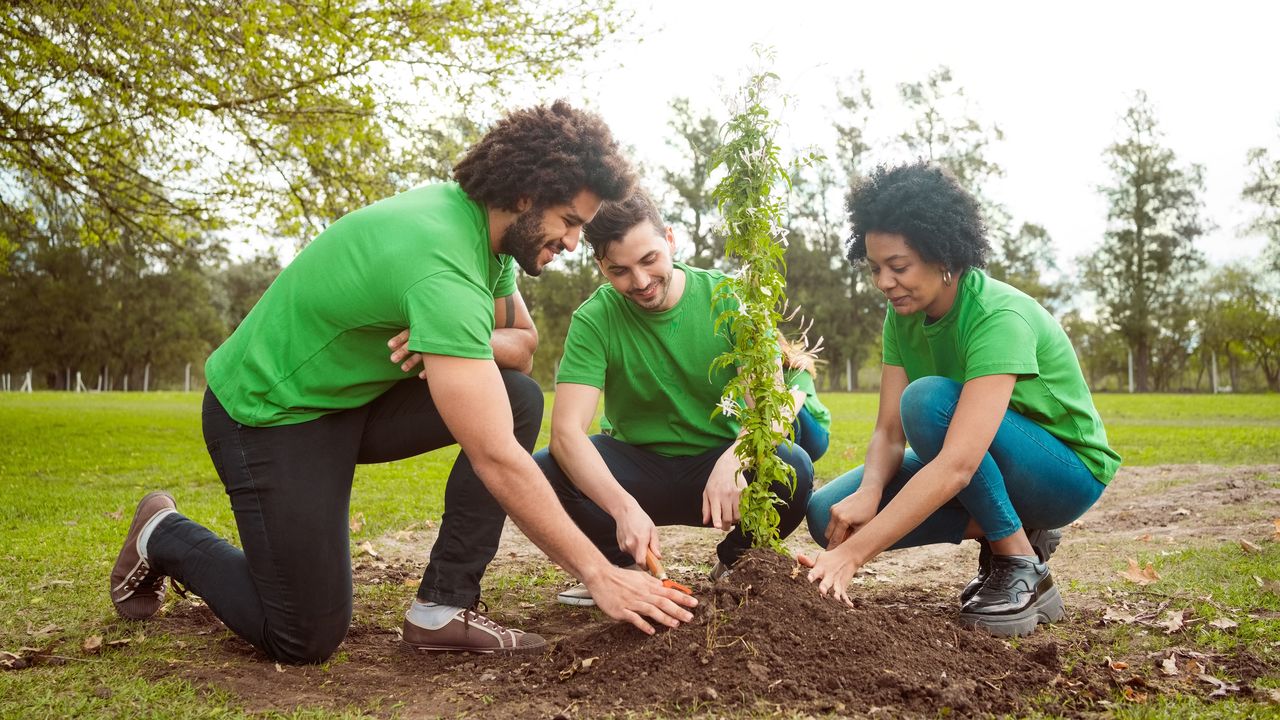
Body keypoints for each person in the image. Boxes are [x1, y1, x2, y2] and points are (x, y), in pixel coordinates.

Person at [108, 102, 697, 663]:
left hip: (353, 402)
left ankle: (443, 608)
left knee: (517, 397)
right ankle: (164, 533)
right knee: (304, 633)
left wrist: (460, 341)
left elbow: (522, 346)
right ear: (525, 195)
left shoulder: (484, 234)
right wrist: (599, 574)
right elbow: (494, 457)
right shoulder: (441, 264)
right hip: (268, 417)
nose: (573, 243)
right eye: (569, 222)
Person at [800, 161, 1121, 637]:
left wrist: (854, 554)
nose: (884, 282)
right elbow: (888, 432)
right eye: (875, 268)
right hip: (982, 458)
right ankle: (1013, 530)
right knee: (828, 511)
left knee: (926, 402)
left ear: (943, 255)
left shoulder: (998, 315)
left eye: (899, 267)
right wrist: (868, 492)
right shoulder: (901, 316)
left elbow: (957, 464)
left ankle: (1017, 559)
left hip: (1065, 472)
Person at [532, 189, 815, 607]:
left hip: (718, 467)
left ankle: (738, 563)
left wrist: (737, 457)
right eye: (620, 271)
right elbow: (567, 435)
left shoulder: (732, 299)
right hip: (638, 466)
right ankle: (619, 570)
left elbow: (771, 412)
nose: (641, 283)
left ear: (669, 239)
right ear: (600, 266)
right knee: (547, 469)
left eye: (649, 260)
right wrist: (623, 507)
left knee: (793, 466)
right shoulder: (595, 318)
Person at [779, 336, 832, 463]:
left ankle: (792, 464)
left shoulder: (798, 369)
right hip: (784, 428)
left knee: (788, 410)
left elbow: (789, 412)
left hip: (815, 436)